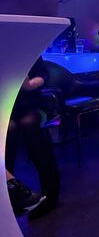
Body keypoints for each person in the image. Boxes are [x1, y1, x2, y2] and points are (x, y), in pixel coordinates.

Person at [5, 57, 59, 217]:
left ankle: (50, 194)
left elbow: (43, 73)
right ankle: (9, 194)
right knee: (8, 130)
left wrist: (31, 84)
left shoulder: (22, 47)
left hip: (31, 104)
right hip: (5, 106)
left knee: (29, 126)